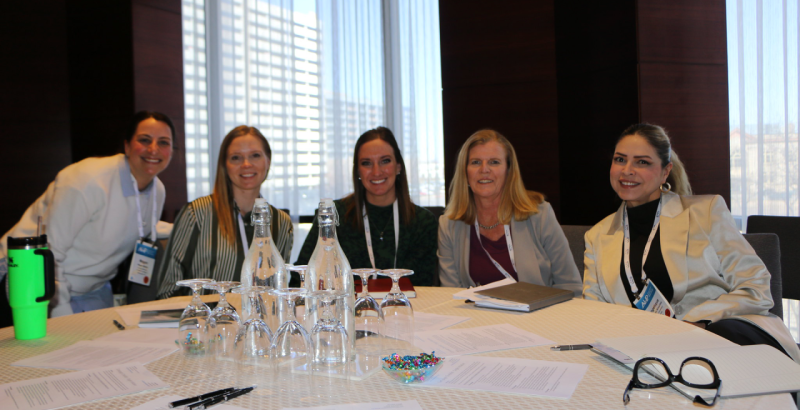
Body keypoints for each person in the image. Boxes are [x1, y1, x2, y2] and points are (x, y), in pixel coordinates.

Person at [583, 123, 800, 362]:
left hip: (718, 337)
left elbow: (756, 286)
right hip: (644, 351)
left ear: (665, 172)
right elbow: (595, 312)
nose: (627, 170)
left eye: (642, 162)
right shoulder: (597, 236)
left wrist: (696, 322)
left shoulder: (706, 212)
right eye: (620, 159)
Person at [0, 111, 175, 316]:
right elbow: (50, 251)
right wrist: (61, 312)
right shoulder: (88, 180)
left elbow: (135, 223)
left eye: (163, 142)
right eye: (144, 140)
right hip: (31, 281)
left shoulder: (157, 190)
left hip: (92, 290)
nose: (154, 149)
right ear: (127, 146)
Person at [438, 129, 582, 294]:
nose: (484, 169)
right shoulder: (449, 225)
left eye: (494, 162)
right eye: (476, 162)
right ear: (465, 171)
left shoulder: (539, 215)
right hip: (479, 317)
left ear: (508, 170)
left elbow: (571, 286)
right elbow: (450, 294)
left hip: (538, 315)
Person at [157, 125, 292, 299]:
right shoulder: (196, 213)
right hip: (205, 322)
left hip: (261, 323)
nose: (246, 164)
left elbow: (279, 289)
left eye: (255, 155)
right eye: (236, 158)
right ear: (225, 165)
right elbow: (168, 290)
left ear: (268, 161)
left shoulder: (281, 223)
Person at [294, 127, 438, 286]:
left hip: (406, 309)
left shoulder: (423, 222)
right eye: (366, 163)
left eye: (385, 161)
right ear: (357, 171)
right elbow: (300, 277)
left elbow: (425, 285)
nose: (376, 172)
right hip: (348, 308)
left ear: (398, 166)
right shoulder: (333, 215)